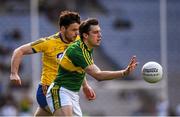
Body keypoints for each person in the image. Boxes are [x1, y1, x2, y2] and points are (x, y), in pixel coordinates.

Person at [10, 11, 96, 116]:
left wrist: (85, 86)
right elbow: (19, 51)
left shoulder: (78, 42)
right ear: (63, 29)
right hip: (47, 91)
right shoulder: (48, 43)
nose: (77, 33)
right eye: (73, 30)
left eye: (78, 29)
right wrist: (14, 73)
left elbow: (76, 66)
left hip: (66, 92)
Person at [46, 18, 138, 116]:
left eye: (100, 32)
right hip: (60, 91)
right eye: (95, 32)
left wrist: (85, 86)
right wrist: (124, 72)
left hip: (72, 94)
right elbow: (98, 75)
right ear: (85, 35)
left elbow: (79, 68)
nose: (100, 35)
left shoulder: (86, 48)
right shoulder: (78, 51)